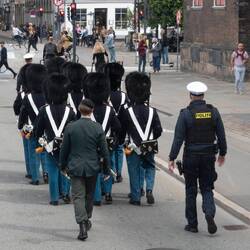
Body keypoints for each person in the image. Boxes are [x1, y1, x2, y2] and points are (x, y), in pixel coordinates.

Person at [168, 81, 227, 235]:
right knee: (207, 187)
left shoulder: (185, 114)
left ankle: (192, 224)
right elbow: (221, 135)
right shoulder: (213, 112)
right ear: (203, 96)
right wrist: (222, 153)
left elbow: (178, 139)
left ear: (190, 95)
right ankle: (209, 212)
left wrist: (172, 158)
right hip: (208, 156)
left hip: (191, 157)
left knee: (191, 190)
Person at [59, 99, 111, 241]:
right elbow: (105, 151)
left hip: (75, 166)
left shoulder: (71, 127)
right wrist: (107, 169)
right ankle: (86, 218)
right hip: (92, 167)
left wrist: (62, 165)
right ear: (92, 111)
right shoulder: (97, 127)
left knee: (77, 197)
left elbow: (64, 149)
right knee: (89, 195)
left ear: (79, 110)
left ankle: (82, 224)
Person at [121, 72, 163, 205]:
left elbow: (123, 129)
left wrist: (122, 142)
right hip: (149, 145)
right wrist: (151, 138)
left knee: (134, 171)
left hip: (133, 146)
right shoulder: (152, 111)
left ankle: (136, 197)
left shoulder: (127, 112)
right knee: (150, 167)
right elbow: (158, 130)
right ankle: (149, 189)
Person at [35, 73, 76, 205]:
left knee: (52, 171)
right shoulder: (70, 111)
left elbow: (38, 131)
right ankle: (65, 193)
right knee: (65, 170)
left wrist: (42, 140)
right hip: (67, 145)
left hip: (50, 145)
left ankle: (54, 198)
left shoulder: (44, 110)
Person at [85, 73, 121, 205]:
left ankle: (97, 197)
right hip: (107, 143)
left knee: (94, 169)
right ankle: (108, 193)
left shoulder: (87, 109)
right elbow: (118, 127)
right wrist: (115, 138)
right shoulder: (110, 110)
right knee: (107, 166)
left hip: (91, 144)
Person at [18, 64, 48, 185]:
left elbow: (23, 114)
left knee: (33, 152)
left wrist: (20, 126)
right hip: (45, 129)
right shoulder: (47, 95)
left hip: (30, 128)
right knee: (44, 151)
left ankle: (35, 177)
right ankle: (46, 173)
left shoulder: (28, 97)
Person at [104, 62, 127, 182]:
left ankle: (111, 173)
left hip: (108, 127)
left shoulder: (104, 94)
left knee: (111, 151)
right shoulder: (123, 96)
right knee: (119, 149)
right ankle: (118, 173)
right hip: (121, 127)